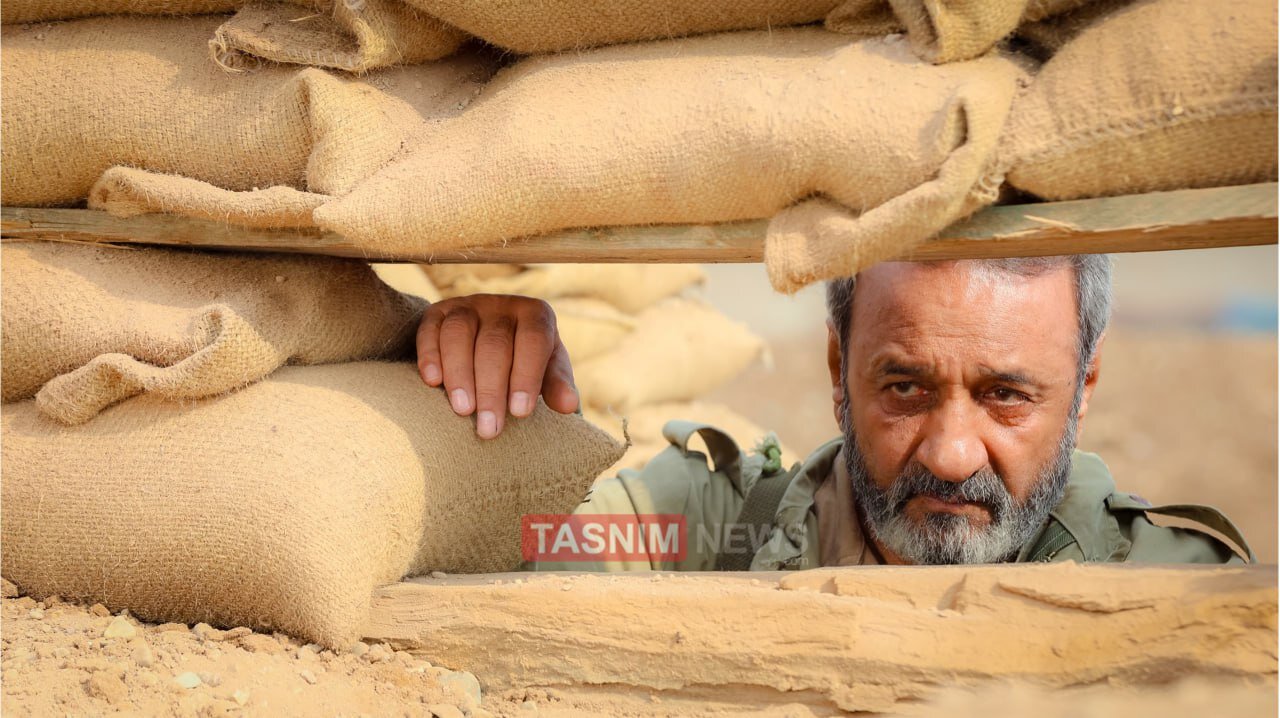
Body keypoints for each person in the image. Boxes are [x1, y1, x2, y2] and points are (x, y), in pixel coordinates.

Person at [416, 256, 1253, 568]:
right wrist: (496, 406)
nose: (953, 454)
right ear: (836, 367)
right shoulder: (716, 525)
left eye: (1006, 396)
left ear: (1087, 384)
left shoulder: (1169, 583)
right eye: (904, 389)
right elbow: (533, 539)